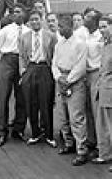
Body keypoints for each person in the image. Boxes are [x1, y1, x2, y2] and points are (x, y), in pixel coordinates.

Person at [52, 16, 88, 166]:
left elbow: (80, 66)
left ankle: (82, 150)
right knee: (62, 115)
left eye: (63, 27)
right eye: (59, 27)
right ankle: (69, 143)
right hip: (61, 80)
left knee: (76, 117)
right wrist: (59, 77)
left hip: (75, 82)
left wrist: (69, 80)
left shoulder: (80, 44)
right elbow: (54, 63)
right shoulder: (59, 44)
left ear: (71, 26)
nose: (60, 30)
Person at [0, 4, 29, 146]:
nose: (17, 14)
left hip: (23, 63)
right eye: (14, 12)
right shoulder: (5, 30)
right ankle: (2, 131)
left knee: (22, 96)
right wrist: (4, 63)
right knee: (3, 97)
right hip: (7, 60)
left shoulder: (28, 31)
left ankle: (19, 129)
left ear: (24, 14)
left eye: (19, 12)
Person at [20, 10, 57, 148]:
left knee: (45, 102)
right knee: (31, 103)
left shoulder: (51, 36)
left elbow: (54, 55)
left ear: (42, 20)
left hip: (44, 68)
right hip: (30, 68)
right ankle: (35, 133)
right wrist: (22, 74)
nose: (35, 22)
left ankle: (48, 134)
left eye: (37, 19)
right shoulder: (24, 37)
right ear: (29, 22)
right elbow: (22, 57)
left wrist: (53, 74)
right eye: (32, 20)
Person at [91, 17, 112, 171]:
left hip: (110, 91)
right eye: (100, 27)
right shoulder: (105, 45)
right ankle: (105, 155)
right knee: (103, 125)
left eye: (105, 26)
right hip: (102, 90)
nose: (102, 29)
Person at [83, 7, 103, 156]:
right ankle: (91, 139)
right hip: (85, 75)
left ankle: (101, 145)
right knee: (87, 109)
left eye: (89, 17)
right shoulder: (85, 36)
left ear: (95, 21)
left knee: (97, 111)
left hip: (97, 74)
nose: (85, 19)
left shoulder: (100, 38)